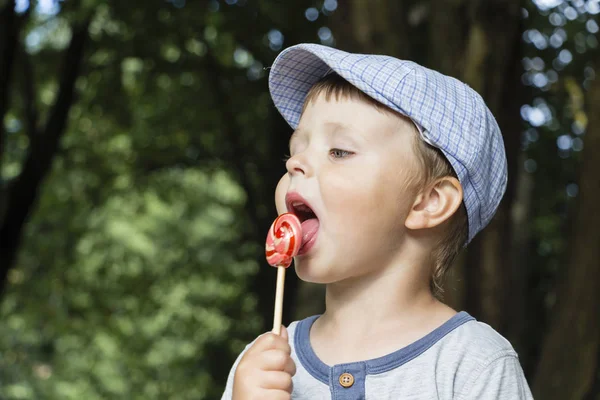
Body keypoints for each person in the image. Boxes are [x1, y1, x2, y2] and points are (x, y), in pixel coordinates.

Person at [221, 43, 534, 399]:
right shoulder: (263, 365)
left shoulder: (473, 363)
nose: (295, 164)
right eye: (294, 151)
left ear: (428, 202)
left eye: (339, 151)